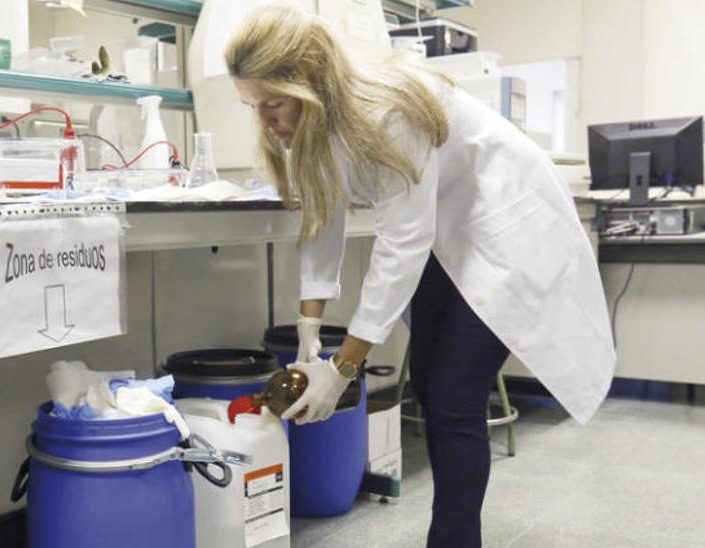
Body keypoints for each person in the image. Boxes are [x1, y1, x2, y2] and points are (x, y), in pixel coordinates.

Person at [225, 6, 615, 547]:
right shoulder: (303, 125)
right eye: (252, 106)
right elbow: (321, 218)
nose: (265, 121)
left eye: (272, 103)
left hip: (503, 224)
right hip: (444, 233)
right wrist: (308, 328)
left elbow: (402, 243)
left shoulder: (385, 109)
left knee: (454, 394)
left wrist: (344, 365)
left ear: (310, 82)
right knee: (432, 385)